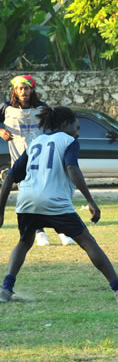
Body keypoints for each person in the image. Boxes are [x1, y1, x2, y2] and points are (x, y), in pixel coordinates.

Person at [0, 106, 118, 305]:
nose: (78, 132)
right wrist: (90, 201)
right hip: (54, 202)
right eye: (76, 127)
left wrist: (1, 210)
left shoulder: (36, 142)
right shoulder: (69, 141)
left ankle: (5, 289)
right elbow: (72, 167)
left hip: (26, 202)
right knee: (88, 242)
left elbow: (10, 176)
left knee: (24, 242)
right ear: (65, 125)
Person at [0, 75, 74, 247]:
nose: (23, 92)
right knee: (30, 197)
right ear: (15, 91)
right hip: (19, 160)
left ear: (32, 90)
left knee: (50, 192)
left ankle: (62, 230)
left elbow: (54, 127)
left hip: (41, 159)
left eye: (26, 88)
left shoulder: (42, 108)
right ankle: (39, 231)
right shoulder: (6, 108)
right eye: (19, 88)